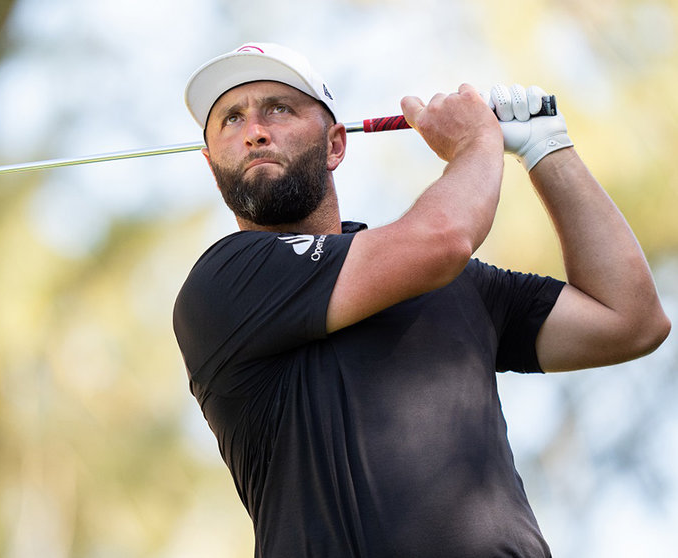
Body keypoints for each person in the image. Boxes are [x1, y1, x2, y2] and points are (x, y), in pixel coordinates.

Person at [172, 42, 670, 557]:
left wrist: (547, 146)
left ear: (335, 145)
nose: (255, 130)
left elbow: (630, 320)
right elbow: (445, 238)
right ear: (212, 167)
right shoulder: (225, 280)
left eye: (279, 108)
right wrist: (477, 141)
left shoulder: (457, 283)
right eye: (231, 119)